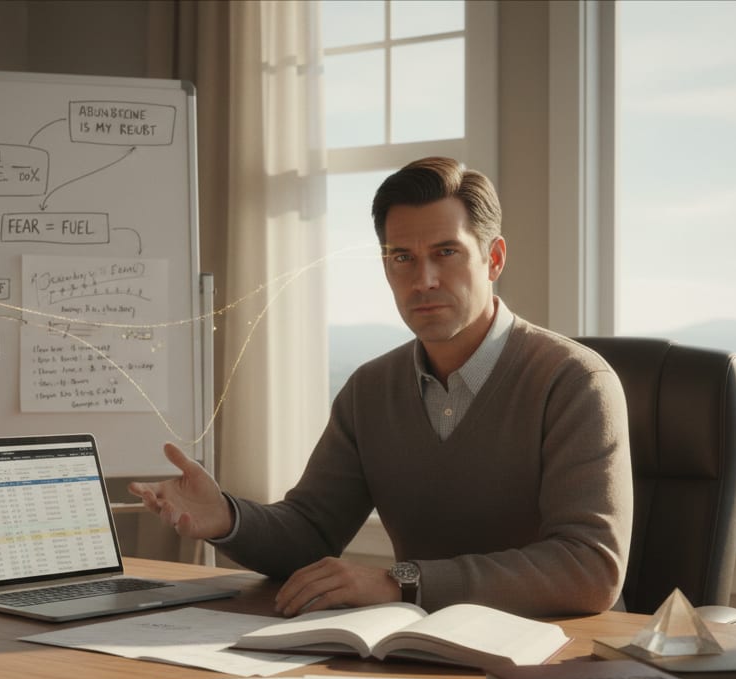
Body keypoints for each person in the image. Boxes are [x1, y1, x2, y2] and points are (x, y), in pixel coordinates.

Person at [129, 157, 632, 618]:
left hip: (557, 654)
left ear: (494, 258)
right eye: (402, 257)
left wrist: (402, 582)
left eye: (446, 252)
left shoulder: (576, 383)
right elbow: (310, 531)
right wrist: (227, 517)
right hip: (417, 647)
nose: (423, 279)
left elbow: (588, 568)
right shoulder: (369, 390)